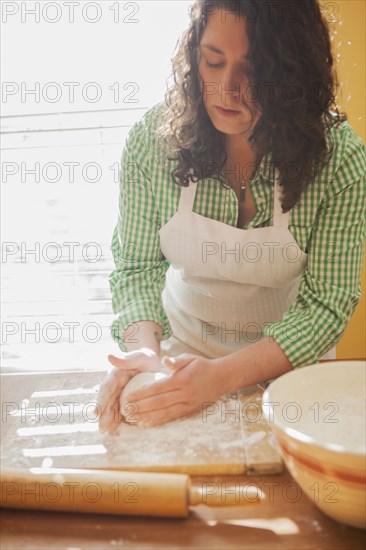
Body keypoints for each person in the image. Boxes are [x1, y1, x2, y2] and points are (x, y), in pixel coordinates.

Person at [96, 0, 365, 432]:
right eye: (213, 62)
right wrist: (143, 352)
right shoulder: (152, 141)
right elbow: (137, 268)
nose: (227, 88)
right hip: (178, 358)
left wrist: (220, 378)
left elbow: (326, 305)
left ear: (294, 74)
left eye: (254, 70)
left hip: (288, 367)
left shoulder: (340, 159)